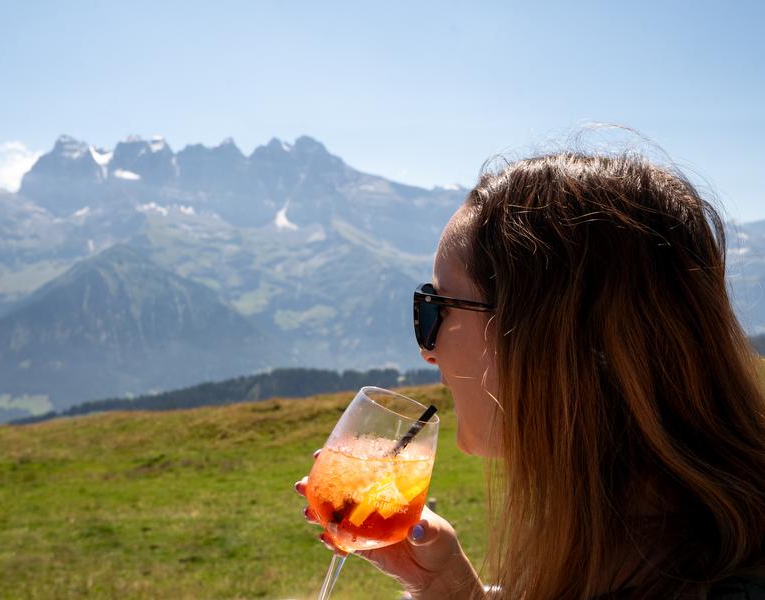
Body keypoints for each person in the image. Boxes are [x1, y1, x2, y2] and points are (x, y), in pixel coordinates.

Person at [295, 150, 765, 599]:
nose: (428, 352)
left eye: (435, 309)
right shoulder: (640, 551)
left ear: (547, 339)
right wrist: (449, 591)